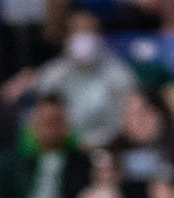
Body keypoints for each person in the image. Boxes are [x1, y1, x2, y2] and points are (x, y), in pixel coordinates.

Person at [16, 11, 138, 149]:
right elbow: (37, 117)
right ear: (65, 38)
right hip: (64, 148)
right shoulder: (50, 75)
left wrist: (104, 142)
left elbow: (131, 117)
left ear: (101, 38)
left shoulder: (120, 73)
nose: (83, 37)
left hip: (112, 146)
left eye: (89, 32)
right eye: (77, 31)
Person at [0, 94, 92, 198]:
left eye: (57, 122)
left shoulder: (80, 163)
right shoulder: (11, 161)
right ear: (33, 124)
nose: (51, 129)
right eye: (46, 122)